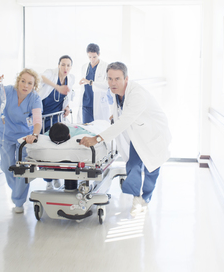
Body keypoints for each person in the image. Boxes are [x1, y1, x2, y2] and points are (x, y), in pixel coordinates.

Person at [79, 62, 171, 217]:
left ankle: (145, 199)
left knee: (152, 171)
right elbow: (122, 112)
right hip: (138, 134)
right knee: (133, 165)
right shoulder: (117, 92)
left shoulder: (137, 94)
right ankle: (136, 198)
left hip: (153, 134)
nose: (113, 83)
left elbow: (124, 120)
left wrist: (97, 138)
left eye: (117, 79)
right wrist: (115, 115)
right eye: (110, 79)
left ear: (126, 79)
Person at [0, 69, 42, 214]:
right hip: (6, 134)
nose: (25, 85)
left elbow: (37, 120)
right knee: (6, 167)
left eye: (30, 83)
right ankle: (18, 190)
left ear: (34, 86)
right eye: (23, 81)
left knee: (22, 169)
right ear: (18, 81)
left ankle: (18, 201)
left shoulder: (34, 98)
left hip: (25, 138)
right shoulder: (7, 91)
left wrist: (34, 135)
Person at [38, 55, 75, 189]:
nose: (65, 68)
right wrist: (57, 87)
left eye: (68, 65)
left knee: (58, 149)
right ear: (58, 65)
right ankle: (48, 180)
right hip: (43, 118)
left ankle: (57, 175)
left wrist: (67, 107)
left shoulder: (71, 79)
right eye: (63, 64)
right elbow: (40, 77)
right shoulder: (51, 73)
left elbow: (68, 97)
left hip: (58, 119)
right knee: (45, 149)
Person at [78, 43, 112, 123]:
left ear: (99, 54)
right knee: (87, 128)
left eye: (94, 57)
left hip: (99, 103)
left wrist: (90, 82)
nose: (92, 59)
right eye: (89, 57)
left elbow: (107, 84)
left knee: (99, 129)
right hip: (86, 103)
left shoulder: (106, 66)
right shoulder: (84, 67)